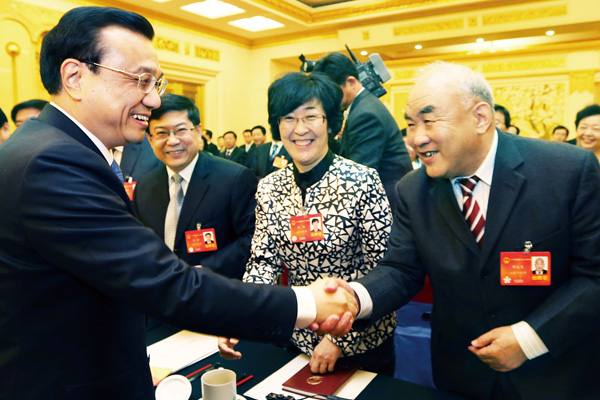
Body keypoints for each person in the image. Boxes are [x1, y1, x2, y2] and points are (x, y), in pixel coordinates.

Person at [0, 7, 357, 399]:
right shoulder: (54, 163)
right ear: (75, 78)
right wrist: (307, 303)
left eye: (156, 82)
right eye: (140, 80)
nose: (153, 99)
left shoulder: (47, 149)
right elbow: (164, 283)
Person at [346, 61, 600, 399]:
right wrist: (353, 298)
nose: (417, 138)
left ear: (480, 117)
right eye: (410, 124)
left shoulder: (567, 171)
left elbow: (593, 275)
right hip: (462, 373)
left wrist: (529, 338)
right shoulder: (412, 189)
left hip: (555, 374)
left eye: (428, 121)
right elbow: (401, 270)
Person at [219, 72, 397, 376]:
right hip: (297, 337)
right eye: (288, 118)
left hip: (361, 343)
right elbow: (263, 262)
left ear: (331, 123)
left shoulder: (362, 181)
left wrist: (338, 338)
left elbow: (384, 271)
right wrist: (241, 315)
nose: (300, 129)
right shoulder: (269, 187)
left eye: (311, 116)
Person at [133, 94, 257, 279]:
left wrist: (203, 270)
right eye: (162, 133)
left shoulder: (235, 178)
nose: (172, 141)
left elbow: (252, 237)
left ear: (198, 132)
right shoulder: (144, 186)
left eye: (180, 130)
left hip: (216, 288)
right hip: (160, 289)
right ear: (150, 139)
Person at [312, 52, 412, 209]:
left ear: (351, 82)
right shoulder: (361, 107)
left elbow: (357, 175)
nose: (329, 100)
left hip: (386, 207)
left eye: (332, 93)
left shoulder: (365, 114)